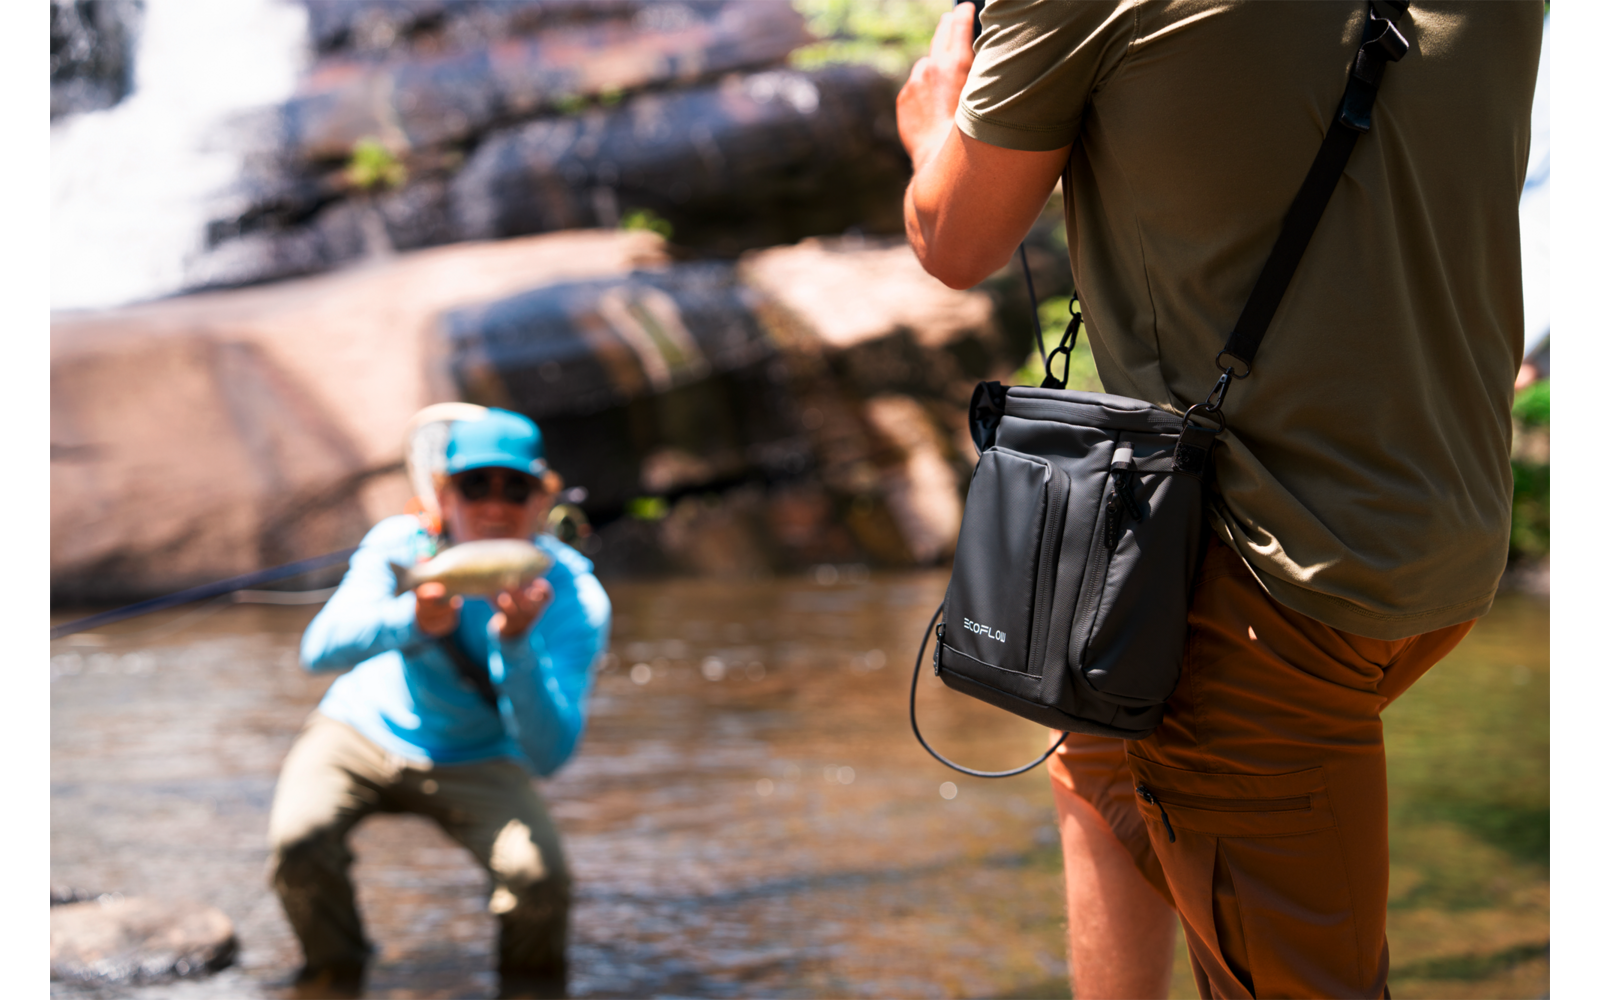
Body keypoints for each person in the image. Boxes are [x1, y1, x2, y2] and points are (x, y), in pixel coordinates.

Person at [897, 3, 1540, 997]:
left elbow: (954, 238)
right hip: (1446, 533)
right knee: (1099, 751)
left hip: (1257, 582)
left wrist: (934, 116)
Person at [266, 407, 611, 999]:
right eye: (477, 485)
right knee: (299, 843)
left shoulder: (575, 597)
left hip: (481, 757)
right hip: (361, 732)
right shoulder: (402, 547)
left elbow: (548, 755)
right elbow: (317, 651)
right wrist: (412, 620)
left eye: (516, 487)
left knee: (540, 881)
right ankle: (336, 976)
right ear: (444, 495)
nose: (496, 505)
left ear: (542, 499)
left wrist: (515, 644)